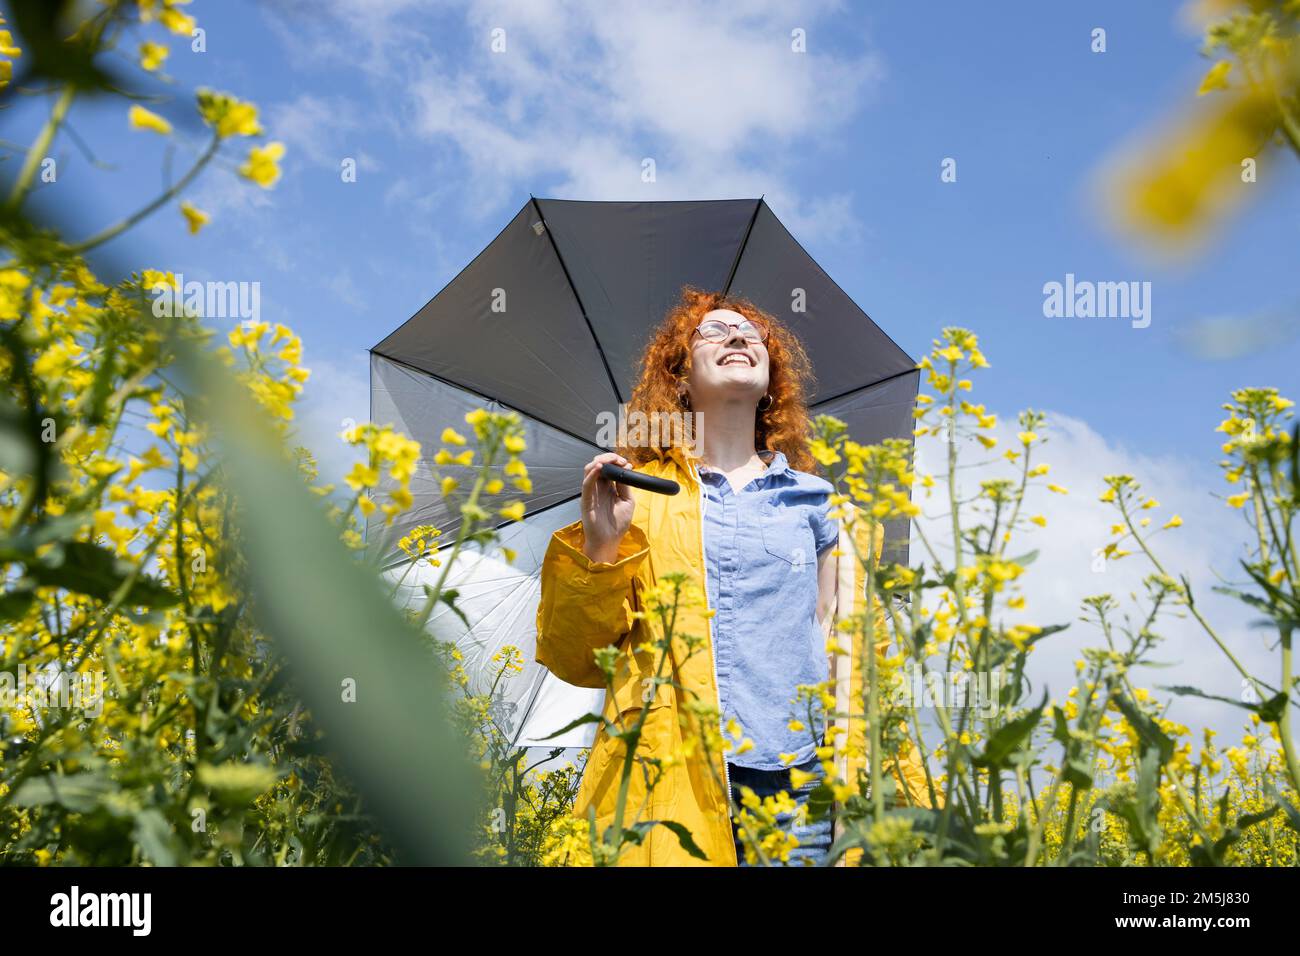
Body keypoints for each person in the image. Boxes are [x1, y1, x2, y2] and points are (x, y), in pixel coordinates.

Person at [535, 286, 938, 867]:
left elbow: (855, 665)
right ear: (679, 377)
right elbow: (576, 655)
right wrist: (600, 547)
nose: (738, 337)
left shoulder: (820, 507)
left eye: (751, 334)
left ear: (772, 381)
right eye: (713, 332)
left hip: (797, 796)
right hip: (669, 783)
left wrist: (911, 800)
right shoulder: (642, 497)